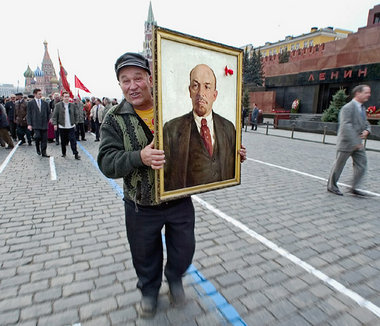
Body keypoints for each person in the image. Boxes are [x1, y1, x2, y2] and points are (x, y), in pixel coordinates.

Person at [98, 53, 246, 318]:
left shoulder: (173, 106)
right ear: (119, 84)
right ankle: (149, 292)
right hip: (140, 204)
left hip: (179, 199)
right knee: (144, 255)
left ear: (149, 79)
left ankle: (174, 276)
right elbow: (106, 162)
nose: (132, 85)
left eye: (138, 78)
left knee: (184, 248)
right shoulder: (114, 118)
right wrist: (138, 157)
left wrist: (231, 153)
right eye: (125, 80)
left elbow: (205, 140)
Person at [163, 64, 236, 191]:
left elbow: (232, 167)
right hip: (188, 201)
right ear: (190, 91)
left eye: (207, 87)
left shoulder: (229, 128)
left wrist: (239, 156)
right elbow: (166, 178)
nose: (201, 93)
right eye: (195, 86)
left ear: (215, 95)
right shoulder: (171, 130)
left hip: (222, 197)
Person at [327, 85, 372, 196]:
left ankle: (354, 187)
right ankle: (331, 186)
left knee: (362, 164)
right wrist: (355, 142)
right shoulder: (347, 108)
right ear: (358, 93)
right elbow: (345, 125)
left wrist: (367, 130)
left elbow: (366, 123)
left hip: (358, 145)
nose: (369, 95)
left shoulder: (362, 108)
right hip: (347, 143)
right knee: (339, 165)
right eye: (366, 92)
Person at [52, 91, 81, 160]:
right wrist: (55, 124)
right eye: (65, 97)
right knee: (63, 141)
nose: (67, 98)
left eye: (68, 96)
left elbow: (76, 114)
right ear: (62, 97)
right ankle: (64, 152)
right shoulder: (58, 105)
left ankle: (75, 153)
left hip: (71, 126)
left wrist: (75, 123)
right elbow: (55, 116)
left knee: (73, 140)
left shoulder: (72, 105)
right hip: (62, 126)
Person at [27, 89, 50, 157]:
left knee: (44, 139)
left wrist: (49, 119)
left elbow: (49, 113)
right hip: (35, 124)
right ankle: (37, 148)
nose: (40, 95)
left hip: (44, 124)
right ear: (35, 94)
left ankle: (44, 152)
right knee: (37, 137)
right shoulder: (30, 103)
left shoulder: (45, 103)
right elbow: (29, 114)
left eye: (41, 93)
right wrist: (29, 124)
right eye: (39, 94)